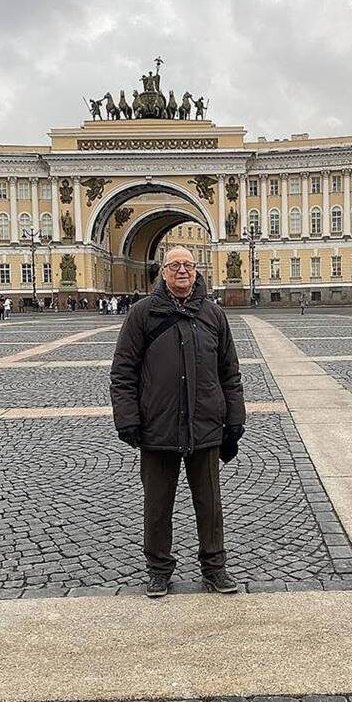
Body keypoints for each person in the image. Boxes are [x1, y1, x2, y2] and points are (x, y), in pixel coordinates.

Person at [110, 245, 245, 599]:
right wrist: (128, 419)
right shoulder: (142, 314)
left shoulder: (214, 316)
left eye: (188, 265)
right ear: (162, 272)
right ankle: (158, 570)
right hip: (158, 426)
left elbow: (230, 373)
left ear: (196, 271)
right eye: (174, 266)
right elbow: (122, 371)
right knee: (157, 504)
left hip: (205, 425)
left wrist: (234, 420)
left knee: (210, 503)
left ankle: (214, 569)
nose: (182, 271)